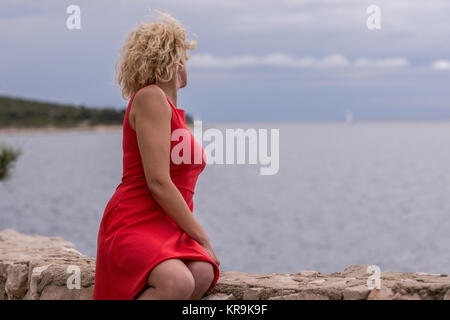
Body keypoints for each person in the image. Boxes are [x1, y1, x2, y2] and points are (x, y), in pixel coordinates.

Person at [93, 11, 220, 300]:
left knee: (202, 272)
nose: (187, 64)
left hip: (165, 225)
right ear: (174, 60)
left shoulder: (171, 111)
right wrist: (203, 236)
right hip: (136, 220)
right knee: (178, 283)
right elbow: (159, 182)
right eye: (185, 57)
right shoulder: (150, 98)